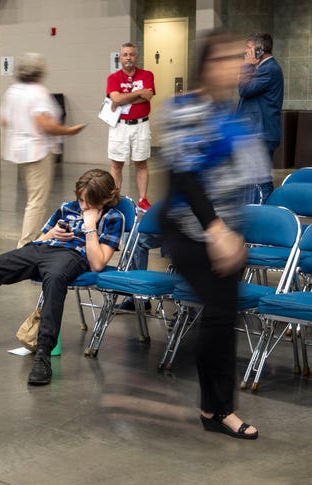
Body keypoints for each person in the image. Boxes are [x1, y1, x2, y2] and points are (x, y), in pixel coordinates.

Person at [160, 30, 269, 440]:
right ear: (207, 65)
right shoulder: (184, 109)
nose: (239, 65)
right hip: (188, 230)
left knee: (222, 314)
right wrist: (218, 230)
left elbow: (243, 174)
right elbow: (186, 176)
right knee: (222, 310)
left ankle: (214, 407)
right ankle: (217, 409)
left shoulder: (230, 113)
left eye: (239, 58)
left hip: (222, 230)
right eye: (228, 58)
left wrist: (232, 230)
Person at [0, 169, 123, 385]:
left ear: (104, 199)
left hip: (72, 257)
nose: (83, 206)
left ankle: (43, 356)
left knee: (55, 280)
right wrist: (53, 234)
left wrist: (89, 227)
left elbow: (97, 263)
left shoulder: (113, 217)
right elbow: (40, 239)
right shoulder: (67, 208)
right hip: (41, 249)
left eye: (89, 202)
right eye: (80, 200)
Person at [1, 53, 85, 248]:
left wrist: (22, 124)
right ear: (40, 72)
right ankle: (26, 245)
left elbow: (4, 120)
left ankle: (34, 237)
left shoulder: (13, 91)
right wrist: (69, 131)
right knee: (37, 200)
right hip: (37, 151)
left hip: (19, 151)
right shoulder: (37, 92)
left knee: (32, 197)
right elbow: (45, 124)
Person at [106, 42, 155, 211]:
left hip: (141, 124)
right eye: (125, 54)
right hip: (120, 126)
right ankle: (115, 198)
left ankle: (143, 199)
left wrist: (124, 97)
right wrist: (138, 93)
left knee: (141, 162)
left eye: (131, 54)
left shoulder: (147, 75)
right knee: (116, 164)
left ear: (137, 57)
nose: (128, 58)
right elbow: (116, 99)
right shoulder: (113, 78)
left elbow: (147, 97)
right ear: (120, 58)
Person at [237, 32, 284, 203]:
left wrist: (246, 66)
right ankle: (256, 210)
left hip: (261, 132)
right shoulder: (263, 69)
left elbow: (244, 90)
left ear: (260, 49)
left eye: (249, 48)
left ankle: (267, 214)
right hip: (256, 132)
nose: (245, 52)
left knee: (261, 179)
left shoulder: (269, 69)